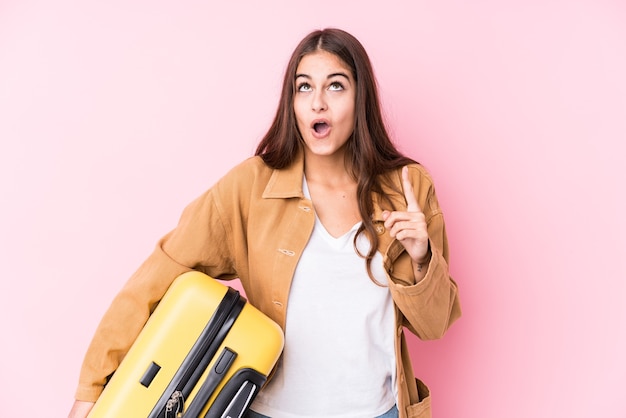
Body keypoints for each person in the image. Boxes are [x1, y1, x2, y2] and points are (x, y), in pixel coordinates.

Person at [68, 28, 461, 418]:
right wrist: (92, 388)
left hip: (380, 412)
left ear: (360, 97)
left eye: (336, 86)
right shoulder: (251, 186)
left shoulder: (407, 185)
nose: (318, 103)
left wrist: (423, 259)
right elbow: (156, 277)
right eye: (304, 87)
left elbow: (434, 326)